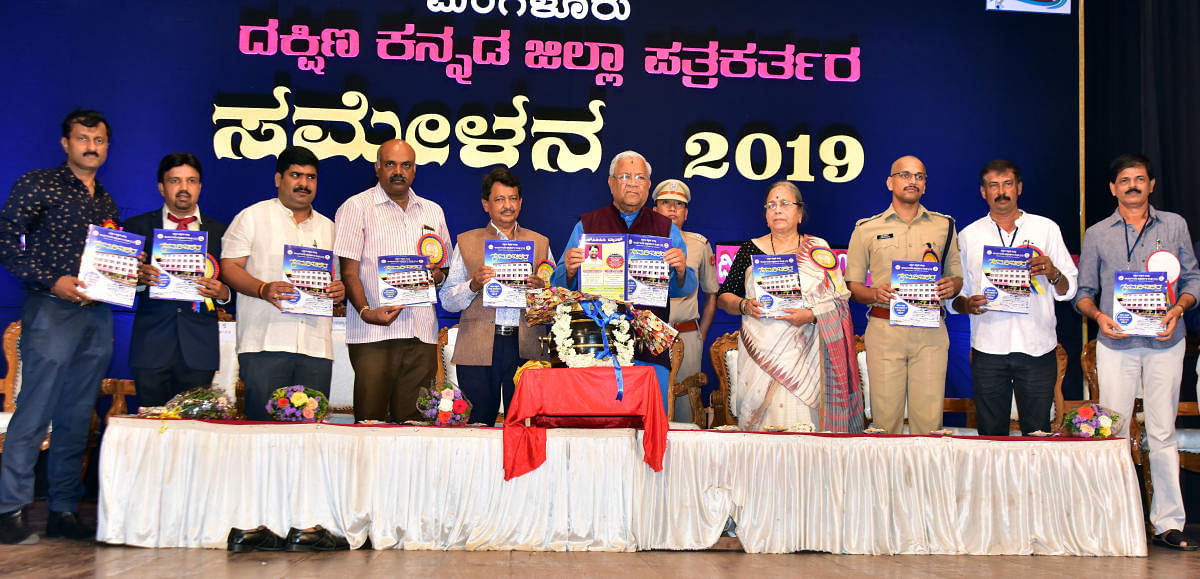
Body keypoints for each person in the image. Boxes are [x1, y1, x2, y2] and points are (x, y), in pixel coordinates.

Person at [0, 109, 120, 544]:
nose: (92, 146)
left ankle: (63, 509)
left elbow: (110, 261)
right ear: (65, 143)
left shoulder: (105, 201)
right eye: (83, 138)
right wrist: (50, 280)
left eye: (100, 139)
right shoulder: (38, 184)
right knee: (35, 410)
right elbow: (4, 237)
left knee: (76, 416)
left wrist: (133, 274)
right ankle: (9, 507)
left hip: (97, 313)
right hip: (51, 307)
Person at [1073, 154, 1200, 551]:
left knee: (1162, 433)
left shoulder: (1174, 225)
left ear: (1152, 184)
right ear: (1113, 188)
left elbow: (1193, 277)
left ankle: (1168, 524)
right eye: (1124, 180)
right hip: (1116, 344)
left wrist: (1178, 308)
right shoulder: (1097, 233)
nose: (1132, 185)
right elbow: (1083, 292)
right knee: (1113, 434)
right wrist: (1097, 317)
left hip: (1166, 340)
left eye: (1139, 179)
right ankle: (1114, 518)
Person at [550, 150, 697, 409]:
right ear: (611, 182)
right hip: (595, 345)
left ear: (649, 185)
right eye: (625, 176)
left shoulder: (666, 229)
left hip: (649, 344)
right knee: (598, 424)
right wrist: (571, 270)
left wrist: (682, 270)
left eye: (640, 177)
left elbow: (682, 288)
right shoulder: (586, 225)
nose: (632, 183)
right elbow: (558, 285)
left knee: (650, 425)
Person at [715, 182, 862, 432]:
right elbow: (723, 297)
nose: (777, 210)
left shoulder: (818, 249)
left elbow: (839, 301)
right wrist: (744, 305)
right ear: (765, 213)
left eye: (785, 204)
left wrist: (811, 315)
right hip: (759, 356)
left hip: (807, 358)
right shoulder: (749, 249)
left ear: (800, 213)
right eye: (771, 205)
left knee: (803, 431)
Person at [952, 160, 1077, 435]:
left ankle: (1035, 481)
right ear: (983, 192)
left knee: (1037, 434)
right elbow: (955, 298)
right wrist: (967, 305)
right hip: (988, 349)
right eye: (993, 186)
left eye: (1007, 184)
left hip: (1037, 347)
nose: (1001, 191)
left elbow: (1070, 290)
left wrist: (1054, 273)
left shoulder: (1046, 229)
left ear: (1019, 187)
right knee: (991, 435)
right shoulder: (969, 235)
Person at [221, 146, 345, 421]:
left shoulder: (330, 228)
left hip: (315, 348)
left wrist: (339, 290)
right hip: (265, 344)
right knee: (263, 431)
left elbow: (337, 281)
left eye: (311, 177)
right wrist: (262, 289)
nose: (304, 184)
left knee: (311, 435)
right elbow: (229, 267)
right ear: (279, 179)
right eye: (295, 175)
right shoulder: (252, 217)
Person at [845, 155, 963, 435]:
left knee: (929, 423)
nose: (912, 181)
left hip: (931, 332)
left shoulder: (944, 226)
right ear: (890, 182)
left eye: (919, 176)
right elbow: (852, 286)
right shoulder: (866, 229)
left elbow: (956, 276)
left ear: (925, 185)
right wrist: (875, 292)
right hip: (886, 331)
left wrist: (952, 286)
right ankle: (887, 481)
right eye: (905, 175)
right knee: (885, 423)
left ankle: (925, 480)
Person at [334, 139, 450, 423]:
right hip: (373, 334)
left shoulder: (433, 211)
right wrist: (366, 312)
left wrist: (438, 275)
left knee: (414, 426)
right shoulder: (355, 207)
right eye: (390, 164)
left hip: (420, 333)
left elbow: (443, 268)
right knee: (370, 423)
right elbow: (349, 272)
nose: (398, 171)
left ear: (414, 170)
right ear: (377, 168)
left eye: (405, 165)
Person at [439, 167, 550, 425]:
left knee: (524, 424)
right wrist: (473, 284)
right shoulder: (467, 241)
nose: (507, 206)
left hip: (525, 346)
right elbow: (447, 300)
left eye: (512, 198)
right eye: (499, 199)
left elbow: (553, 303)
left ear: (521, 202)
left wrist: (539, 289)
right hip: (479, 346)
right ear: (485, 204)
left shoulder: (540, 243)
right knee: (478, 422)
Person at [125, 153, 232, 407]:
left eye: (191, 181)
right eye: (175, 180)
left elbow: (236, 286)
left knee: (193, 432)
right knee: (150, 430)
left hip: (199, 349)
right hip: (150, 347)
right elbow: (114, 285)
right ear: (161, 187)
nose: (184, 188)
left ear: (200, 187)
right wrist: (138, 280)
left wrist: (223, 292)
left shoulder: (221, 232)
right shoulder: (135, 227)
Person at [652, 179, 719, 423]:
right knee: (651, 402)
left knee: (686, 409)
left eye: (679, 205)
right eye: (666, 203)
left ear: (686, 212)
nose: (672, 209)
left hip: (686, 334)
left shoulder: (699, 245)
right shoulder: (641, 242)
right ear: (654, 210)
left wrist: (700, 333)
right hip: (650, 335)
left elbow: (712, 294)